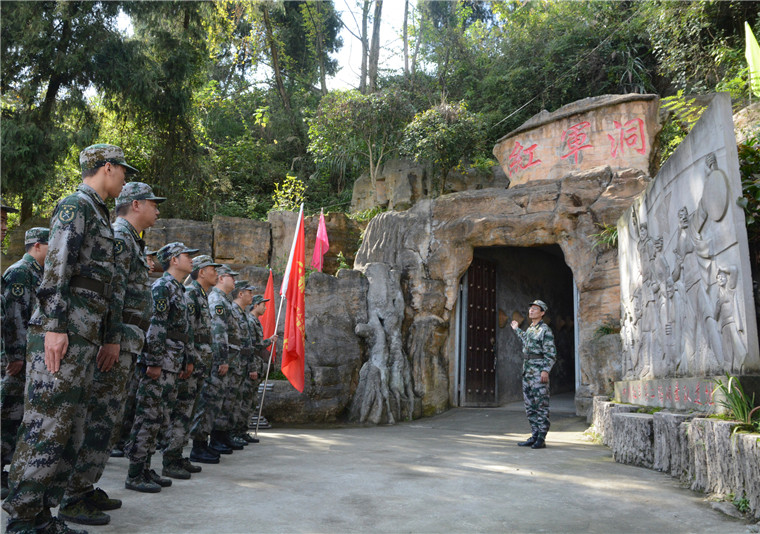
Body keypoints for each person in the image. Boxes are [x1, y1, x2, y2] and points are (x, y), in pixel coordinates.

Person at [3, 144, 133, 534]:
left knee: (68, 428)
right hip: (64, 331)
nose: (125, 178)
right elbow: (57, 267)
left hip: (83, 333)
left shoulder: (97, 211)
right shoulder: (76, 205)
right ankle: (24, 518)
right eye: (122, 170)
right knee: (45, 424)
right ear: (106, 167)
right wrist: (56, 326)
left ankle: (42, 514)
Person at [59, 183, 164, 525]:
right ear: (136, 204)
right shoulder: (120, 236)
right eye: (153, 204)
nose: (157, 211)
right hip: (114, 342)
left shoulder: (130, 238)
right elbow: (112, 291)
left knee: (108, 420)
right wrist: (112, 337)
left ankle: (86, 486)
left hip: (126, 341)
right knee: (97, 420)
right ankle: (73, 495)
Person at [124, 242, 197, 492]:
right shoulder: (162, 287)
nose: (192, 260)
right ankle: (135, 473)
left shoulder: (179, 289)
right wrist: (153, 361)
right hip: (160, 362)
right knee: (147, 417)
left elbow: (182, 332)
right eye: (188, 255)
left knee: (160, 418)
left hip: (172, 363)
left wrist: (186, 360)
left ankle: (145, 468)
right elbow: (155, 327)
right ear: (174, 260)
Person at [1, 228, 49, 499]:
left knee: (15, 415)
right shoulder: (21, 272)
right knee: (7, 413)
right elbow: (14, 316)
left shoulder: (37, 273)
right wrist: (17, 355)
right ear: (38, 246)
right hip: (17, 359)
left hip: (30, 356)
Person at [186, 255, 223, 465]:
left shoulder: (202, 295)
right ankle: (190, 451)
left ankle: (196, 448)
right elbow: (187, 330)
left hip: (202, 358)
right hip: (195, 358)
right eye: (212, 269)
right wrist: (189, 359)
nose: (216, 273)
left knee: (196, 406)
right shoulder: (191, 294)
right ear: (201, 272)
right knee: (188, 408)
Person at [206, 265, 243, 454]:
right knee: (215, 401)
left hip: (231, 358)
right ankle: (214, 440)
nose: (234, 281)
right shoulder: (217, 300)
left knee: (226, 400)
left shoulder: (225, 301)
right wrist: (222, 359)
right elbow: (218, 332)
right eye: (231, 276)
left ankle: (222, 436)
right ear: (221, 278)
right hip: (223, 358)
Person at [510, 299, 556, 450]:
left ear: (542, 313)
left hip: (538, 372)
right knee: (530, 406)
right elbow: (526, 341)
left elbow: (551, 353)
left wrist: (545, 370)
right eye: (530, 309)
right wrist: (517, 329)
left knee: (541, 405)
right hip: (527, 371)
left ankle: (541, 437)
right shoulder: (531, 329)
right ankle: (534, 434)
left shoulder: (545, 330)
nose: (531, 311)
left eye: (535, 309)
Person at [244, 295, 278, 438]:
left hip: (256, 365)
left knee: (251, 401)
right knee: (246, 402)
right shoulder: (250, 321)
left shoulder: (255, 321)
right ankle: (238, 432)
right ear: (256, 305)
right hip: (251, 366)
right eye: (263, 305)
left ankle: (243, 431)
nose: (265, 308)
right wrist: (269, 341)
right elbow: (252, 346)